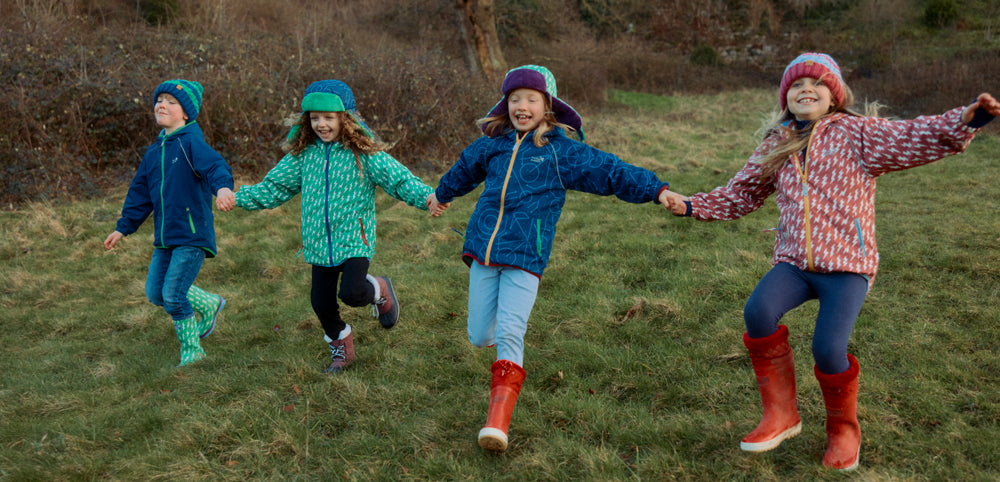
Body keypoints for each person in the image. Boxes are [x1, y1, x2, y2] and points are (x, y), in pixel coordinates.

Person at [660, 52, 999, 471]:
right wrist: (693, 205)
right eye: (798, 84)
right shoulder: (778, 142)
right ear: (787, 97)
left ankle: (843, 430)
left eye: (818, 83)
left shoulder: (857, 134)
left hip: (847, 266)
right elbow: (742, 193)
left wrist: (963, 122)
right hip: (796, 262)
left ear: (835, 96)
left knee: (827, 348)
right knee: (758, 311)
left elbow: (910, 136)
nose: (808, 89)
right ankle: (782, 415)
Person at [427, 65, 673, 453]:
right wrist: (443, 194)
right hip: (484, 252)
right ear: (505, 104)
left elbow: (609, 170)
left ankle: (497, 423)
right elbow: (464, 169)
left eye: (531, 99)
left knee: (510, 331)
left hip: (527, 254)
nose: (521, 106)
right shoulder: (493, 143)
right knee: (478, 334)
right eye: (514, 99)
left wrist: (656, 190)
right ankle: (499, 350)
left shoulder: (560, 151)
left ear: (547, 105)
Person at [231, 80, 443, 374]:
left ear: (346, 117)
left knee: (353, 293)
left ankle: (379, 288)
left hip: (355, 239)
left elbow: (399, 179)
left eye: (328, 117)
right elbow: (274, 187)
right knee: (321, 303)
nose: (321, 124)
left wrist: (427, 198)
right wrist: (238, 197)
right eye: (315, 118)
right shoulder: (303, 156)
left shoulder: (363, 153)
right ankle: (342, 349)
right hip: (319, 243)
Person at [105, 79, 235, 367]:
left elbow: (216, 166)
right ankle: (208, 303)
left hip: (191, 234)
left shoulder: (191, 143)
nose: (162, 105)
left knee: (174, 296)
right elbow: (139, 193)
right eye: (159, 100)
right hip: (165, 238)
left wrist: (223, 188)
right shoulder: (154, 153)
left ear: (186, 113)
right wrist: (122, 227)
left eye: (171, 102)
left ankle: (193, 351)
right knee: (156, 293)